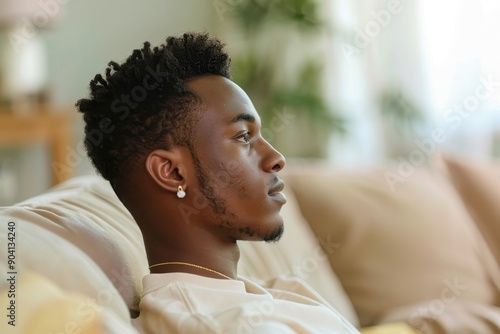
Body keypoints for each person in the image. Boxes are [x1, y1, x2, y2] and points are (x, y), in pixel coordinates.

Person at [77, 32, 359, 333]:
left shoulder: (273, 293)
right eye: (242, 137)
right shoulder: (228, 325)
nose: (276, 158)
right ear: (171, 172)